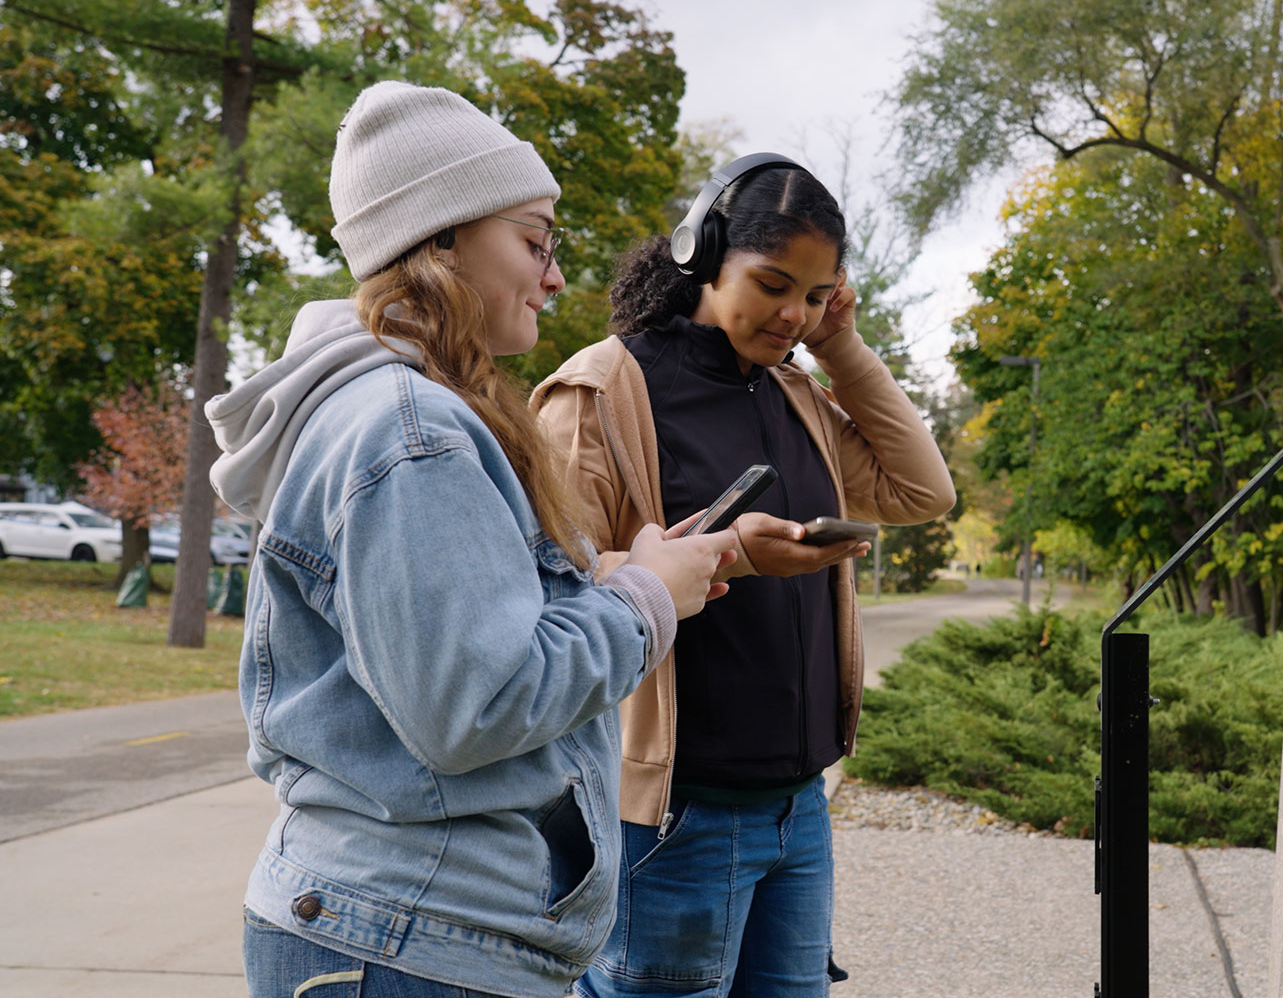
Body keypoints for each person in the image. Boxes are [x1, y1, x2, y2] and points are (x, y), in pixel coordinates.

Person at [204, 81, 739, 998]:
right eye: (535, 242)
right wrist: (646, 599)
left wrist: (616, 572)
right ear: (441, 238)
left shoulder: (391, 413)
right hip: (411, 944)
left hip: (404, 933)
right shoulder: (411, 429)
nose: (556, 276)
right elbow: (474, 706)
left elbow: (427, 649)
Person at [530, 154, 956, 997]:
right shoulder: (600, 392)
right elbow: (545, 585)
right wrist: (735, 554)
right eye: (772, 284)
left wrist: (842, 345)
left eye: (815, 294)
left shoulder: (794, 392)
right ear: (702, 253)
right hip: (675, 816)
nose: (793, 314)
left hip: (800, 809)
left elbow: (923, 490)